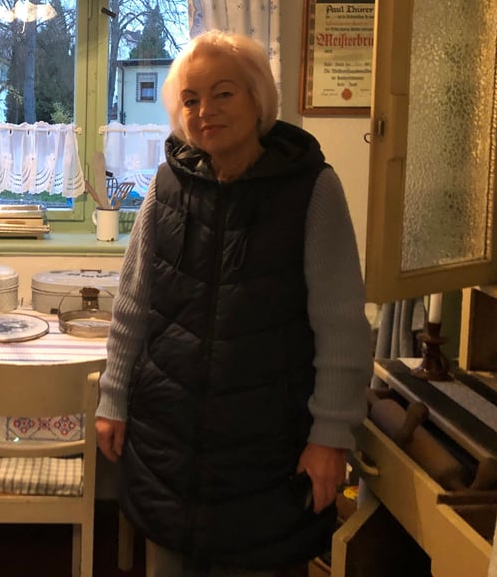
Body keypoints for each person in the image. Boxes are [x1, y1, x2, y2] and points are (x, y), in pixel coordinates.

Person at [95, 31, 372, 577]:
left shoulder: (312, 189)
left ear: (257, 98)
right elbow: (133, 303)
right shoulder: (167, 184)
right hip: (167, 444)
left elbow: (341, 326)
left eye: (224, 94)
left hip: (266, 450)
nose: (205, 111)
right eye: (191, 99)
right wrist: (112, 398)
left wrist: (331, 435)